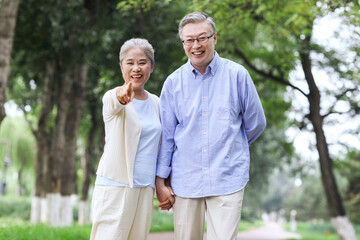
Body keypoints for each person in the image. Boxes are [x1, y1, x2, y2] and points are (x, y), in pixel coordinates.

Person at [155, 12, 266, 240]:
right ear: (183, 43)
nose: (196, 45)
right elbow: (166, 137)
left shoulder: (238, 76)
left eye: (202, 38)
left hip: (227, 177)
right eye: (189, 40)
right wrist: (160, 180)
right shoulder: (173, 83)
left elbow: (256, 123)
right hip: (186, 180)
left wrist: (231, 146)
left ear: (215, 38)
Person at [90, 38, 161, 240]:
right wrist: (120, 95)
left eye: (142, 62)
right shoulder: (112, 96)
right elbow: (115, 101)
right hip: (115, 186)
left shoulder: (157, 102)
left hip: (145, 188)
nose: (136, 68)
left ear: (152, 67)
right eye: (130, 62)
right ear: (121, 66)